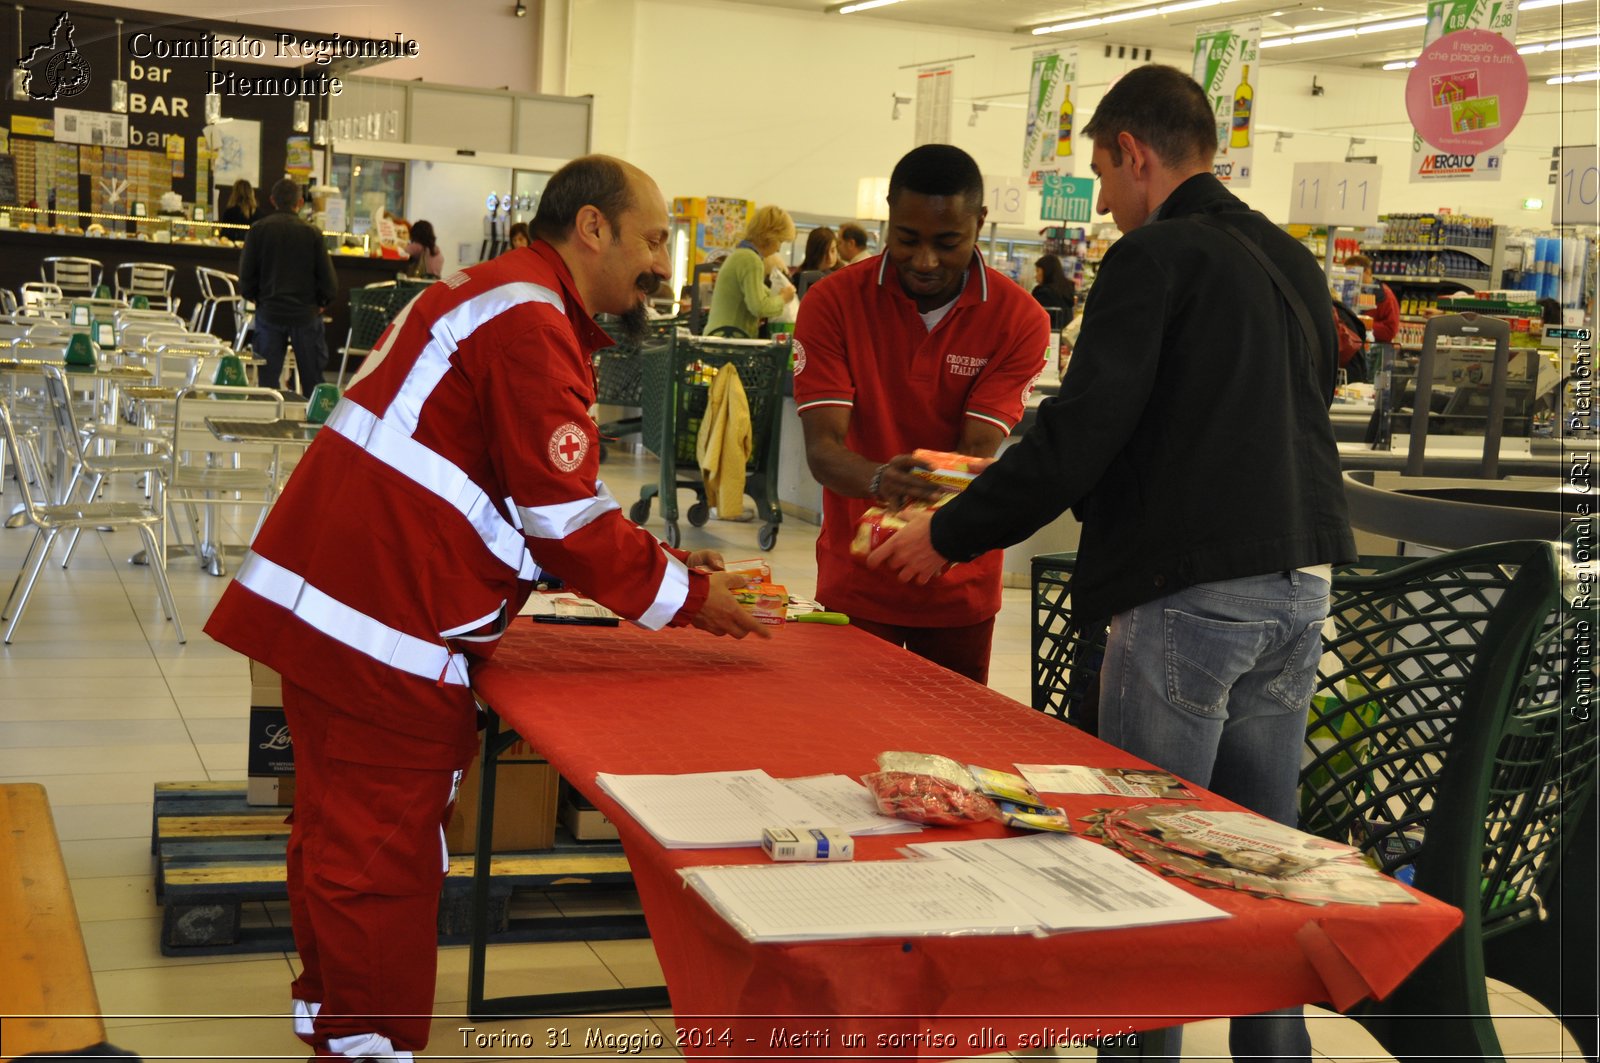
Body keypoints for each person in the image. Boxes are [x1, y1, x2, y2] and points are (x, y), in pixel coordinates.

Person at [205, 154, 769, 1062]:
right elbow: (559, 518)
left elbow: (501, 487)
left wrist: (656, 560)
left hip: (344, 604)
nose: (663, 263)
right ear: (593, 229)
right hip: (381, 626)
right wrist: (696, 596)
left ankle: (334, 1031)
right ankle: (367, 1047)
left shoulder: (508, 294)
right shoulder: (530, 320)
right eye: (654, 239)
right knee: (380, 866)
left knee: (337, 846)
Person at [868, 66, 1355, 1062]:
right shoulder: (1284, 257)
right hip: (1298, 585)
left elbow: (1083, 428)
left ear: (1135, 153)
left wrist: (948, 531)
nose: (1099, 199)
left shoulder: (1156, 255)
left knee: (1145, 867)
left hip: (1187, 594)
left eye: (1099, 173)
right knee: (1268, 865)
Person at [793, 144, 1050, 683]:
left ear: (979, 223)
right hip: (855, 580)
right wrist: (882, 479)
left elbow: (974, 452)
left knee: (950, 752)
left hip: (959, 580)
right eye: (907, 239)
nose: (925, 261)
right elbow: (823, 450)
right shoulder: (833, 302)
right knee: (840, 744)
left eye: (948, 242)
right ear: (888, 216)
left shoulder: (1019, 319)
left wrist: (931, 527)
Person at [238, 177, 337, 395]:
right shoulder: (312, 233)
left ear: (273, 201)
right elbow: (329, 281)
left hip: (270, 313)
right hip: (306, 315)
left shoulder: (258, 230)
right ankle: (313, 424)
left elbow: (245, 277)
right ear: (300, 202)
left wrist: (258, 299)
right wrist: (321, 303)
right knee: (313, 382)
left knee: (267, 383)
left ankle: (268, 422)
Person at [704, 205, 796, 337]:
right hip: (730, 342)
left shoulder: (741, 255)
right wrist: (783, 298)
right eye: (780, 241)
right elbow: (759, 307)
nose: (779, 249)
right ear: (770, 236)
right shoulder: (751, 260)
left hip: (720, 337)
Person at [1342, 252, 1398, 343]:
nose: (1350, 279)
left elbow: (1390, 331)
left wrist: (1363, 324)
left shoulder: (1385, 295)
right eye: (1347, 274)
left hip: (1374, 346)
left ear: (1367, 272)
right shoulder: (1348, 293)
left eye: (1354, 273)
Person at [1031, 253, 1076, 326]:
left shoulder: (1044, 294)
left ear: (1047, 271)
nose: (1035, 276)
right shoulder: (1066, 290)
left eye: (1038, 271)